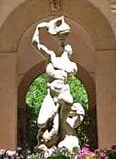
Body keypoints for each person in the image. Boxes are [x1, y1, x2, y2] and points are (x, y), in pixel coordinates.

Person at [32, 16, 83, 150]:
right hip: (51, 95)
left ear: (70, 52)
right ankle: (49, 140)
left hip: (63, 93)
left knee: (66, 100)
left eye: (66, 47)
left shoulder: (72, 66)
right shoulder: (51, 57)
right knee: (41, 122)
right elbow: (35, 43)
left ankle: (65, 136)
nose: (64, 47)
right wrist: (39, 28)